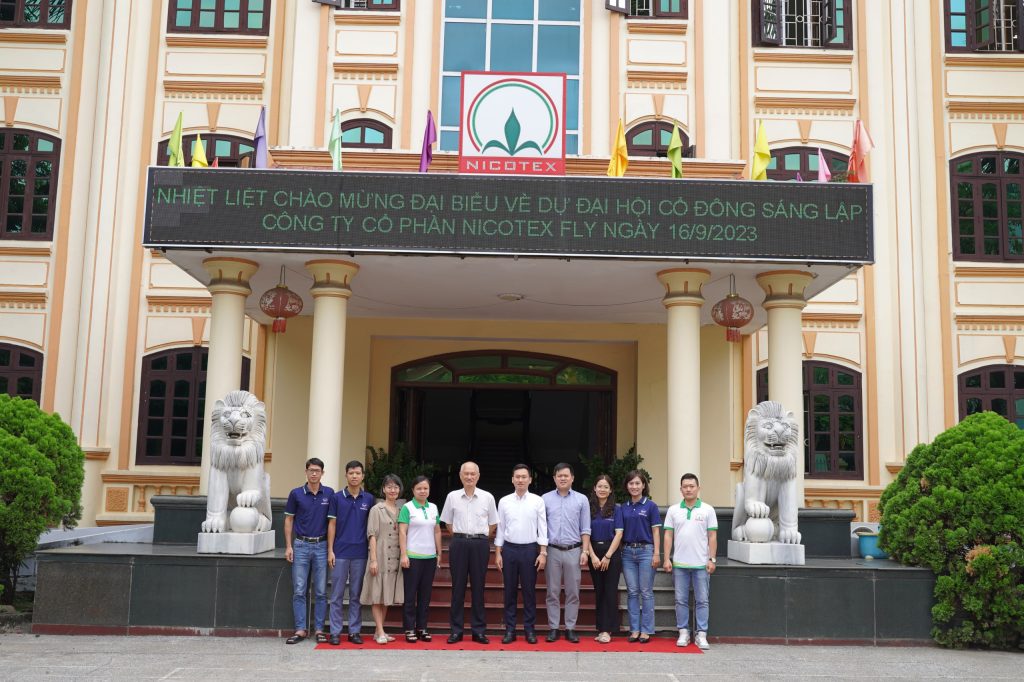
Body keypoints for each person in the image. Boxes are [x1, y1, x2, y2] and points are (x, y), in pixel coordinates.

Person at [439, 461, 498, 644]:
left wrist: (481, 537)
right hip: (459, 542)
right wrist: (460, 536)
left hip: (480, 544)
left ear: (478, 476)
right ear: (460, 475)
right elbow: (447, 522)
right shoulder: (452, 497)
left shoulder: (487, 497)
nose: (470, 477)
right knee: (458, 588)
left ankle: (478, 630)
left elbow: (493, 522)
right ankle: (456, 630)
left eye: (473, 474)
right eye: (466, 474)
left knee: (478, 587)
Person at [662, 473, 717, 651]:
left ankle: (701, 634)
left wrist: (712, 559)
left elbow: (712, 536)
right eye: (685, 486)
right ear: (681, 489)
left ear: (698, 488)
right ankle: (683, 632)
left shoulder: (708, 510)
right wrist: (666, 558)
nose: (688, 489)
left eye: (692, 486)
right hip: (680, 564)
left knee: (702, 600)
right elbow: (668, 535)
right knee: (680, 600)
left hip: (701, 564)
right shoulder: (673, 510)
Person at [494, 464, 548, 644]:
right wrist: (498, 552)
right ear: (512, 479)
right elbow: (500, 528)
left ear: (530, 480)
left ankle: (529, 629)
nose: (520, 480)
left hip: (530, 550)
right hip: (509, 549)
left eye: (524, 477)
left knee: (529, 592)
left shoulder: (537, 501)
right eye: (517, 477)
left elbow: (543, 527)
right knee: (509, 591)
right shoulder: (504, 501)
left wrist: (543, 552)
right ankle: (510, 630)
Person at [283, 458, 334, 645]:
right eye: (311, 470)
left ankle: (319, 629)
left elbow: (332, 523)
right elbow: (289, 520)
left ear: (322, 473)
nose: (314, 474)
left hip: (321, 546)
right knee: (299, 590)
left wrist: (330, 550)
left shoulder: (329, 494)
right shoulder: (296, 494)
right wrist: (289, 546)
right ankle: (301, 629)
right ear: (306, 472)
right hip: (301, 546)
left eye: (317, 471)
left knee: (321, 591)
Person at [327, 459, 375, 646]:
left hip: (361, 553)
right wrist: (330, 550)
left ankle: (354, 631)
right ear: (346, 475)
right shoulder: (337, 498)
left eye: (358, 473)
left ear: (362, 476)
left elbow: (372, 528)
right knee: (337, 594)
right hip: (339, 552)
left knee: (356, 594)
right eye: (351, 473)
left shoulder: (369, 499)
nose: (354, 476)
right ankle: (335, 632)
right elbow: (332, 525)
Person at [541, 463, 591, 643]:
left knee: (572, 592)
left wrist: (585, 551)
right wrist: (543, 552)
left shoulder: (581, 499)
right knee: (552, 591)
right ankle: (553, 627)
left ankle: (570, 627)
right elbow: (542, 527)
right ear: (554, 478)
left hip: (574, 550)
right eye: (559, 475)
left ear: (572, 478)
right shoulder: (544, 499)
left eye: (566, 475)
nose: (562, 478)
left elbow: (585, 528)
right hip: (552, 550)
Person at [360, 474, 404, 645]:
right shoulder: (376, 509)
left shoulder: (402, 510)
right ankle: (380, 631)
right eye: (389, 487)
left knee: (386, 595)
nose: (392, 490)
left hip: (395, 559)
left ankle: (380, 630)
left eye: (396, 487)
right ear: (383, 489)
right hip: (380, 556)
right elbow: (372, 535)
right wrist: (373, 560)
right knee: (377, 594)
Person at [398, 475, 442, 643]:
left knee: (425, 595)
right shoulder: (407, 508)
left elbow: (437, 531)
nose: (423, 491)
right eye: (419, 488)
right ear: (413, 490)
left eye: (425, 488)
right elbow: (402, 532)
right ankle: (409, 628)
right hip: (412, 557)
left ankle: (422, 627)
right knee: (410, 595)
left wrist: (439, 553)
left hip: (430, 557)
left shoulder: (433, 508)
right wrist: (404, 554)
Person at [620, 469, 661, 643]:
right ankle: (634, 629)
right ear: (627, 486)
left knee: (646, 592)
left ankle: (646, 630)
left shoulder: (650, 506)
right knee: (632, 592)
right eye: (631, 483)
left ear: (643, 485)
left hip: (646, 552)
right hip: (628, 553)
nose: (634, 486)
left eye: (638, 483)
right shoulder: (623, 507)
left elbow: (656, 531)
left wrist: (656, 553)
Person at [586, 474, 623, 644]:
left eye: (606, 487)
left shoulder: (617, 509)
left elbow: (619, 533)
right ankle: (601, 628)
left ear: (610, 490)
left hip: (611, 552)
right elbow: (584, 533)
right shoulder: (588, 508)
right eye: (599, 486)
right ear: (594, 488)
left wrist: (608, 555)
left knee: (609, 591)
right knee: (599, 590)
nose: (602, 489)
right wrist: (592, 555)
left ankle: (608, 630)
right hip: (593, 551)